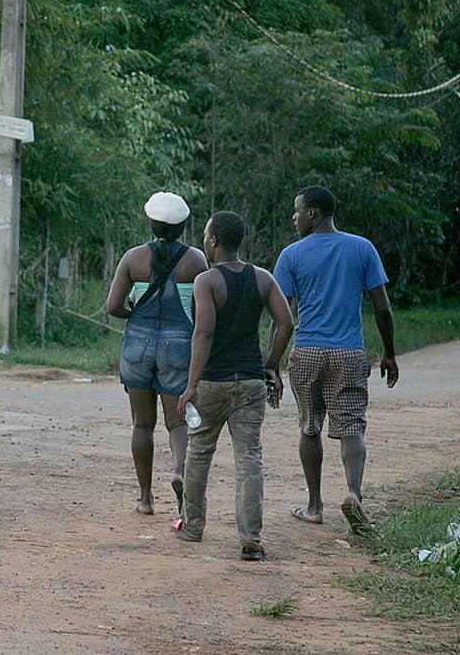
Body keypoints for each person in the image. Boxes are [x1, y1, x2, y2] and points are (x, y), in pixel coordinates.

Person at [273, 186, 398, 535]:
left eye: (297, 211)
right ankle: (353, 493)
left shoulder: (292, 255)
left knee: (309, 425)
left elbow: (281, 318)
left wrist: (272, 363)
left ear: (313, 213)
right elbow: (382, 307)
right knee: (352, 426)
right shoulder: (362, 248)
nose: (294, 217)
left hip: (308, 350)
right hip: (348, 352)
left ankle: (314, 506)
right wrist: (389, 352)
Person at [172, 211, 294, 560]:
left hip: (212, 381)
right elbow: (285, 324)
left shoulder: (206, 282)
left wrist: (191, 385)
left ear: (213, 241)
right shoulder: (264, 278)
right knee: (249, 458)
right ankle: (250, 538)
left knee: (199, 453)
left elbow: (204, 333)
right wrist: (270, 365)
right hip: (251, 382)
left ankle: (192, 526)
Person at [106, 192, 209, 517]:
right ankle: (179, 471)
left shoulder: (133, 258)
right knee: (177, 422)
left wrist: (132, 314)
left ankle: (145, 498)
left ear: (151, 222)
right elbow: (200, 310)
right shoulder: (195, 261)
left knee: (142, 424)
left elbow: (112, 306)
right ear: (182, 227)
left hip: (138, 345)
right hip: (178, 347)